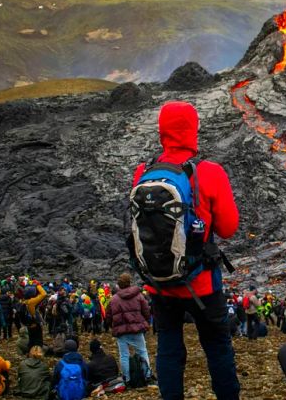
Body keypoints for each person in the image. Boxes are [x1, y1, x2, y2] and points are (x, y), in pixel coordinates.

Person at [131, 101, 240, 399]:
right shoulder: (209, 172)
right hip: (202, 283)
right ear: (193, 130)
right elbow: (228, 228)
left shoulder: (143, 172)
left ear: (162, 131)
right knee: (217, 348)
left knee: (168, 348)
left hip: (160, 285)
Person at [104, 273, 152, 385]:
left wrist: (111, 326)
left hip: (121, 332)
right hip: (137, 329)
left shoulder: (113, 299)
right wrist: (146, 322)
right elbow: (146, 311)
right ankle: (147, 375)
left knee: (124, 355)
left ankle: (127, 378)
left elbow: (108, 316)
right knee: (142, 352)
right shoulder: (139, 295)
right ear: (130, 282)